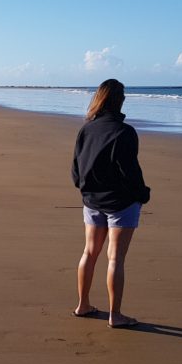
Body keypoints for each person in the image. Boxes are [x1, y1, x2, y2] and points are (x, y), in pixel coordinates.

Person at [71, 79, 150, 328]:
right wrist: (142, 194)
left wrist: (85, 188)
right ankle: (115, 315)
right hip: (120, 203)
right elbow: (130, 172)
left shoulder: (87, 129)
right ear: (120, 100)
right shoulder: (124, 132)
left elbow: (76, 169)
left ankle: (83, 304)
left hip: (92, 199)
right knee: (115, 258)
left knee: (89, 253)